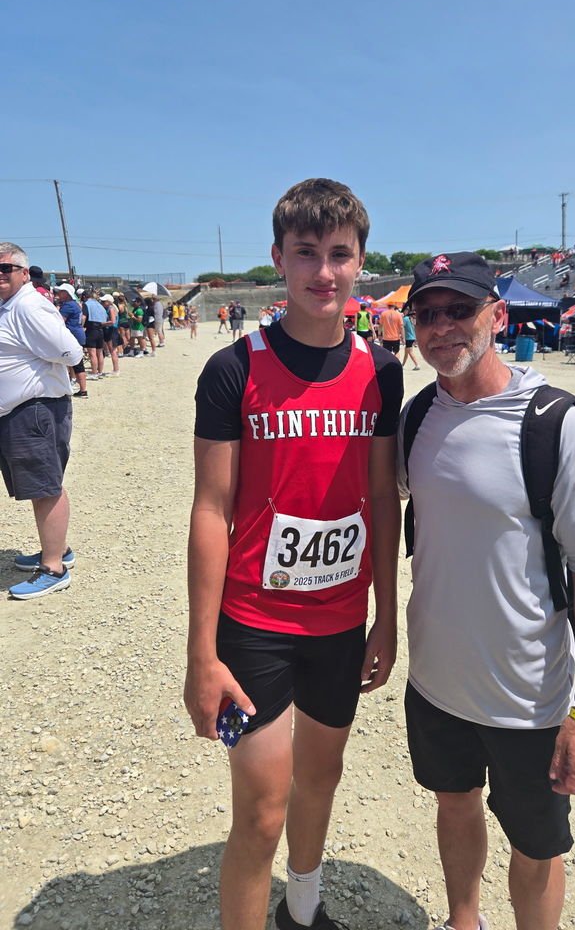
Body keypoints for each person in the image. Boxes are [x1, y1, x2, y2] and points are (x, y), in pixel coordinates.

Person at [184, 178, 404, 930]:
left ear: (361, 261)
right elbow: (211, 509)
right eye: (306, 253)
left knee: (321, 778)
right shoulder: (233, 370)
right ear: (278, 258)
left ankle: (303, 911)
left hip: (340, 623)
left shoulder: (381, 371)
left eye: (340, 254)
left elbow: (382, 500)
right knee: (260, 809)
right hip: (254, 624)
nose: (324, 271)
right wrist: (201, 653)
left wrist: (386, 618)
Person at [398, 252, 575, 930]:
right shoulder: (418, 418)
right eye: (426, 313)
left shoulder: (554, 424)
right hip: (435, 683)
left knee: (535, 844)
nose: (441, 327)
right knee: (454, 804)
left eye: (459, 310)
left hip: (527, 699)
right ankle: (463, 920)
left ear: (498, 316)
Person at [0, 244, 83, 599]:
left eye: (5, 268)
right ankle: (57, 549)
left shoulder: (28, 307)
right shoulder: (13, 305)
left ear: (23, 272)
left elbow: (70, 351)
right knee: (40, 485)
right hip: (23, 410)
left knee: (46, 487)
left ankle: (54, 568)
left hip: (34, 409)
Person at [55, 283, 88, 396]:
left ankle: (82, 389)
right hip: (78, 333)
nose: (58, 293)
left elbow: (59, 321)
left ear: (66, 293)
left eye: (61, 292)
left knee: (76, 363)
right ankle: (79, 387)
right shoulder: (75, 304)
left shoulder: (68, 305)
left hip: (73, 335)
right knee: (75, 362)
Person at [81, 290, 107, 380]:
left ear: (84, 297)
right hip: (100, 329)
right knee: (99, 352)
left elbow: (84, 317)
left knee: (92, 353)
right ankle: (100, 372)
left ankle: (94, 373)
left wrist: (81, 326)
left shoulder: (86, 304)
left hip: (91, 329)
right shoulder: (99, 304)